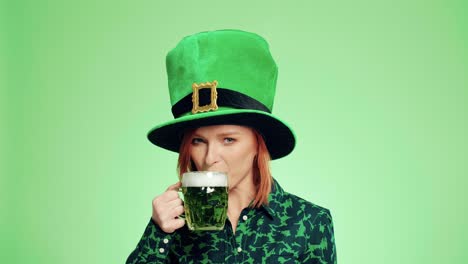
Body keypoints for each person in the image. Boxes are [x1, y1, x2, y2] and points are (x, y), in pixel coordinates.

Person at [127, 29, 337, 263]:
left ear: (259, 143)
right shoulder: (172, 227)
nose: (210, 158)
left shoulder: (309, 222)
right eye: (198, 141)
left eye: (228, 140)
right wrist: (158, 232)